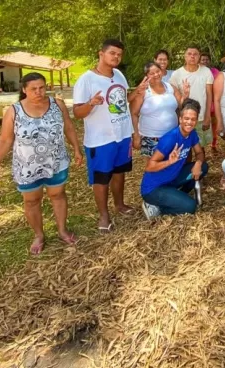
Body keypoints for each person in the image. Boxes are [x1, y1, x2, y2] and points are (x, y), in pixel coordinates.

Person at [0, 72, 83, 255]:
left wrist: (77, 149)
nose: (39, 92)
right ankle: (39, 235)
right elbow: (5, 140)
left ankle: (62, 230)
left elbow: (68, 127)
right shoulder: (14, 111)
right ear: (24, 90)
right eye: (33, 89)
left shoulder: (57, 105)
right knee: (31, 200)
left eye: (42, 87)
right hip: (27, 166)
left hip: (56, 161)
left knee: (58, 195)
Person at [73, 39, 140, 233]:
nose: (116, 57)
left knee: (120, 172)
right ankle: (103, 215)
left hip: (122, 134)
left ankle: (119, 204)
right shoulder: (86, 79)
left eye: (119, 54)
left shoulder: (119, 75)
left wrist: (137, 93)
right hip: (100, 139)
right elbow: (77, 113)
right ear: (101, 54)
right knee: (101, 178)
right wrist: (91, 103)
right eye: (112, 53)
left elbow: (121, 100)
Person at [141, 99, 208, 218]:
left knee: (203, 166)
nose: (189, 122)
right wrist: (169, 162)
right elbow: (149, 166)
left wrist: (198, 163)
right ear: (180, 119)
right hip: (154, 188)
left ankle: (176, 195)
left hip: (172, 178)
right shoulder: (171, 138)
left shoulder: (192, 134)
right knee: (190, 207)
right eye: (186, 119)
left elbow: (199, 152)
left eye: (193, 119)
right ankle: (156, 207)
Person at [130, 62, 189, 157]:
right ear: (146, 75)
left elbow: (181, 105)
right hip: (150, 136)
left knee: (171, 163)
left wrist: (185, 95)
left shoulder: (170, 87)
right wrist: (135, 135)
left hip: (172, 134)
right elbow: (134, 113)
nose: (156, 75)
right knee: (153, 166)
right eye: (152, 73)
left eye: (157, 71)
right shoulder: (143, 91)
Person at [170, 45, 214, 147]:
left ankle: (201, 163)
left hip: (201, 116)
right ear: (185, 56)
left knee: (201, 145)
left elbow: (209, 94)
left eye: (195, 54)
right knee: (185, 147)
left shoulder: (206, 71)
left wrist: (207, 116)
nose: (192, 56)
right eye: (189, 54)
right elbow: (177, 99)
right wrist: (185, 95)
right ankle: (187, 163)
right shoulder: (176, 74)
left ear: (199, 56)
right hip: (185, 118)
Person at [200, 52, 221, 150]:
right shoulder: (197, 71)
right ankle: (202, 146)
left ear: (210, 61)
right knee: (202, 124)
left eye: (206, 59)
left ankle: (214, 143)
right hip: (202, 103)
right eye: (202, 59)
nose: (205, 61)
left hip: (213, 102)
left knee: (214, 124)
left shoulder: (215, 71)